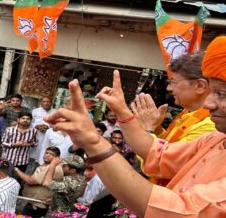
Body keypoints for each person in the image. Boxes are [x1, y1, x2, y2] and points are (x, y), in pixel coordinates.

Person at [43, 36, 226, 217]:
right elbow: (158, 155)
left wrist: (93, 142)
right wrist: (121, 112)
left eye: (221, 93)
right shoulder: (216, 139)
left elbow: (179, 211)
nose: (209, 103)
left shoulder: (211, 128)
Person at [131, 53, 215, 143]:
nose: (169, 88)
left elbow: (165, 156)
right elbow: (169, 144)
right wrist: (156, 128)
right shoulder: (188, 113)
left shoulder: (210, 126)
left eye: (174, 82)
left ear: (200, 86)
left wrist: (148, 127)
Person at [17, 146, 64, 217]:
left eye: (52, 154)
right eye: (46, 153)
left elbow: (31, 181)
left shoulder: (54, 168)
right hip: (34, 202)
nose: (47, 155)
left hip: (38, 205)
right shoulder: (45, 165)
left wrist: (16, 169)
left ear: (57, 158)